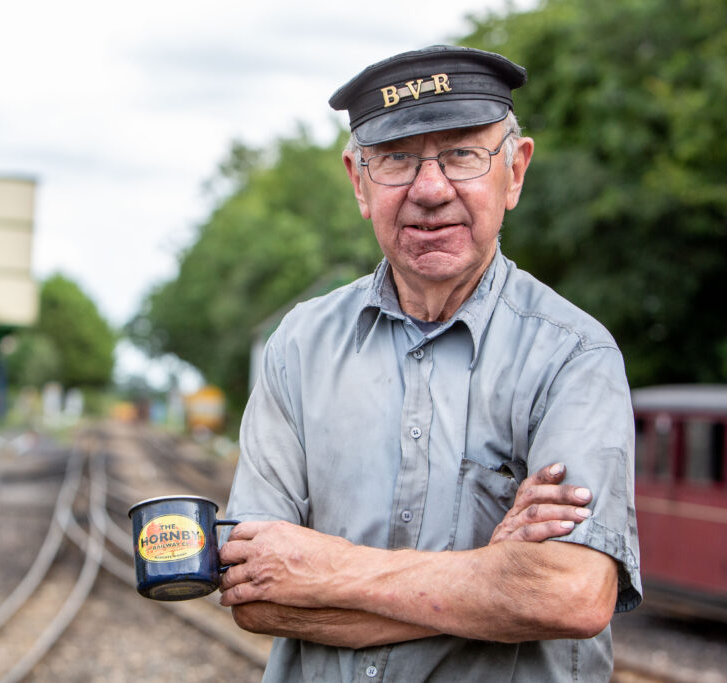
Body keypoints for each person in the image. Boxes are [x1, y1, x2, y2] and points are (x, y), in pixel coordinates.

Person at [219, 45, 641, 682]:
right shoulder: (298, 346)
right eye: (396, 160)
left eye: (463, 154)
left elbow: (570, 594)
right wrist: (491, 576)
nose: (431, 190)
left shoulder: (573, 357)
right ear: (359, 183)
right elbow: (256, 591)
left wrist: (328, 571)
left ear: (515, 172)